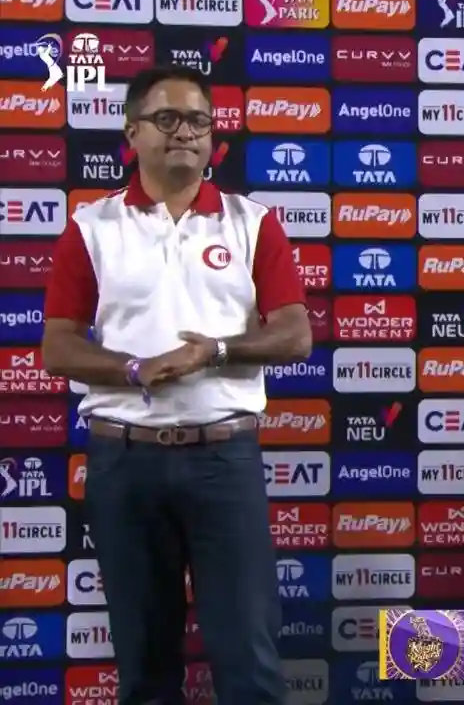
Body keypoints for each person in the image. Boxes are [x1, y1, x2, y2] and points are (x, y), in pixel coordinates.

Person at [40, 64, 310, 704]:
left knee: (249, 661)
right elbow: (58, 346)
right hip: (124, 461)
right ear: (132, 132)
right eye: (166, 119)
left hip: (224, 459)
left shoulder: (252, 222)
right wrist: (135, 369)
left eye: (198, 121)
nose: (184, 132)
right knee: (145, 667)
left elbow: (295, 334)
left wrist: (215, 352)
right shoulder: (92, 227)